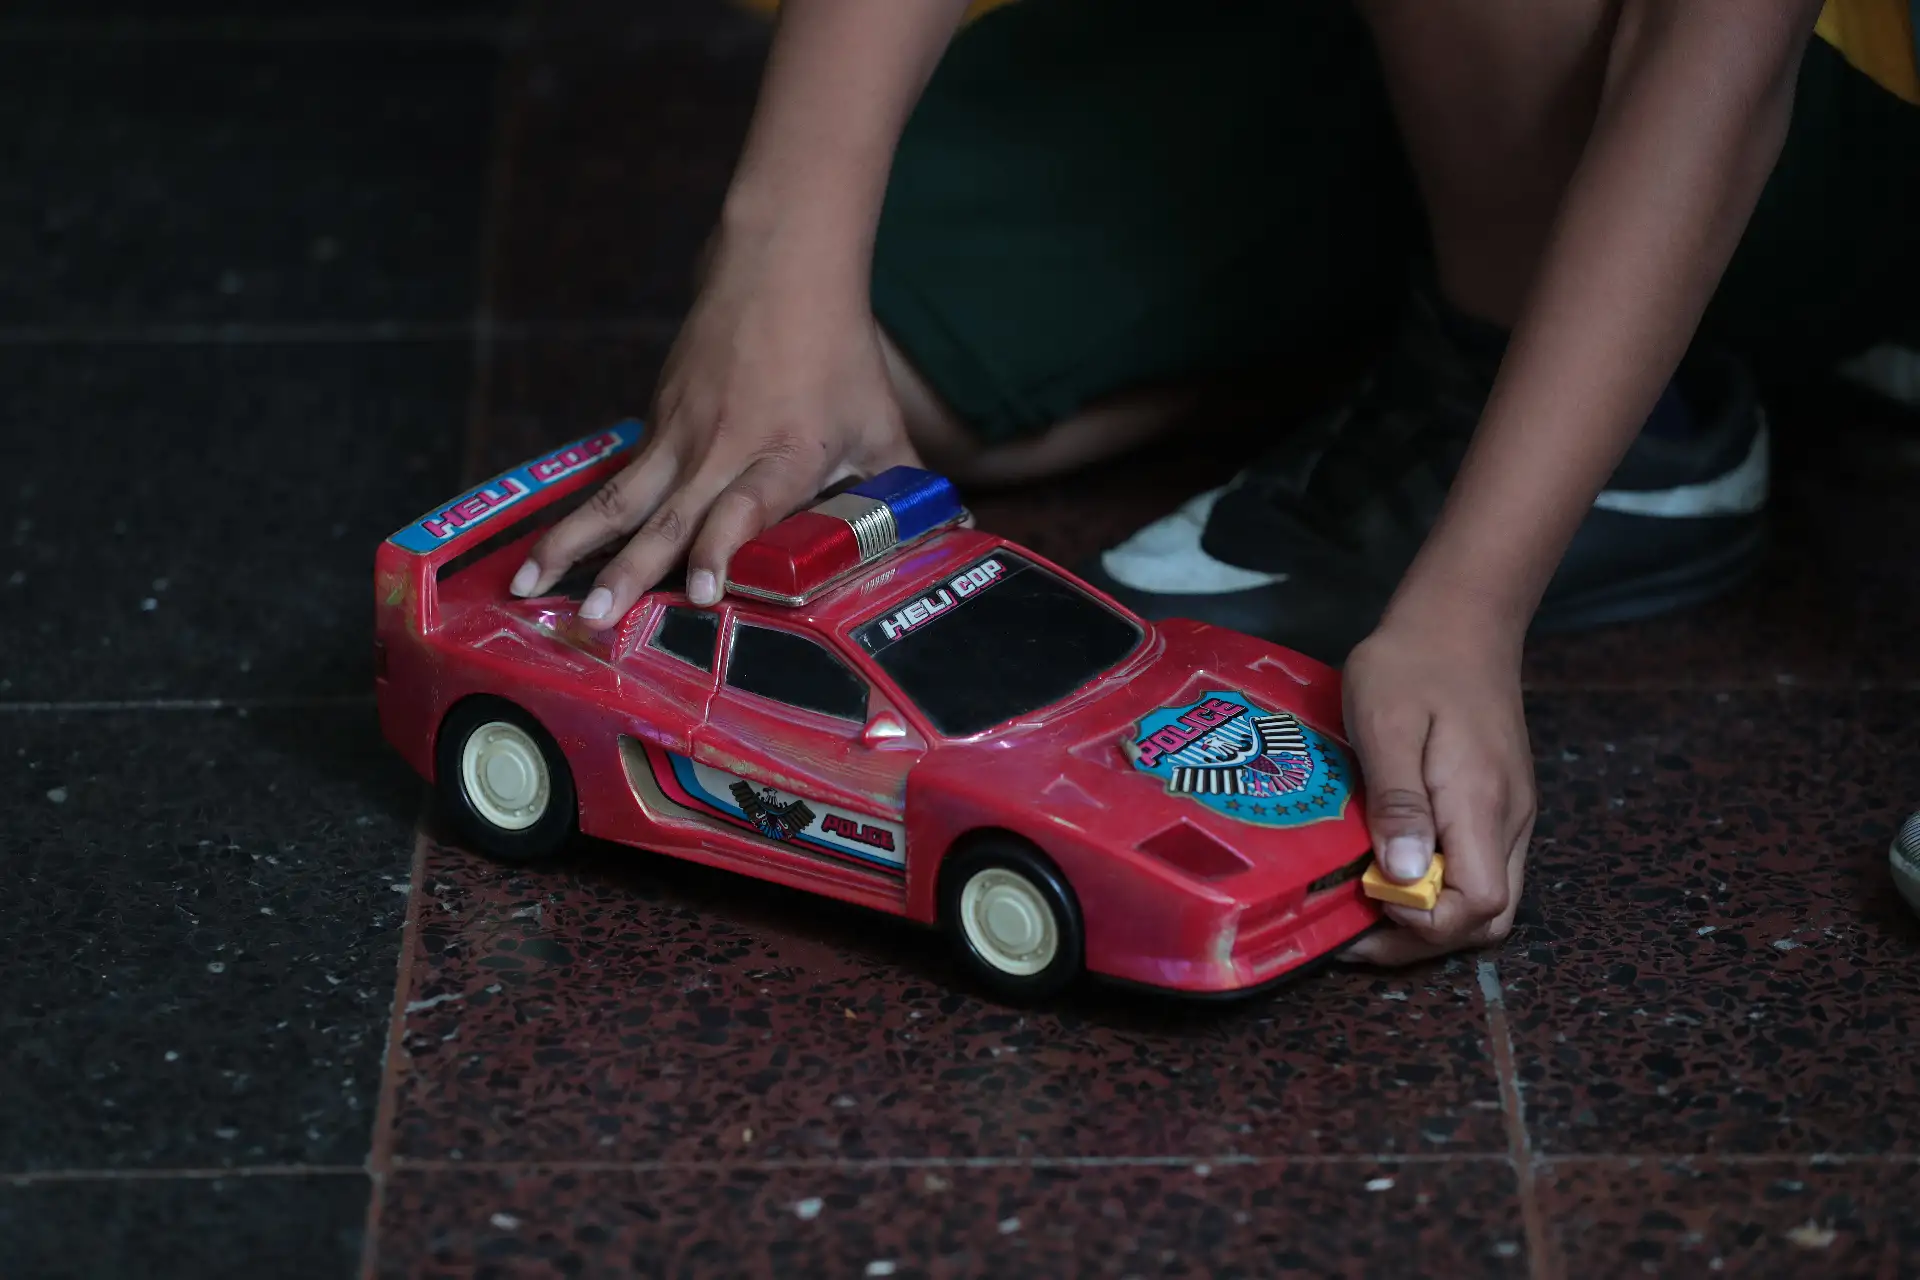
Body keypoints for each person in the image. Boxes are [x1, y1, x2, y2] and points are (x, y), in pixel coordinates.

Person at [510, 0, 1920, 960]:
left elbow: (1723, 65)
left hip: (1787, 119)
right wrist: (779, 249)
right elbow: (803, 278)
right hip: (1351, 45)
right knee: (862, 360)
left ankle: (1576, 403)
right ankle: (1424, 281)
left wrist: (1469, 601)